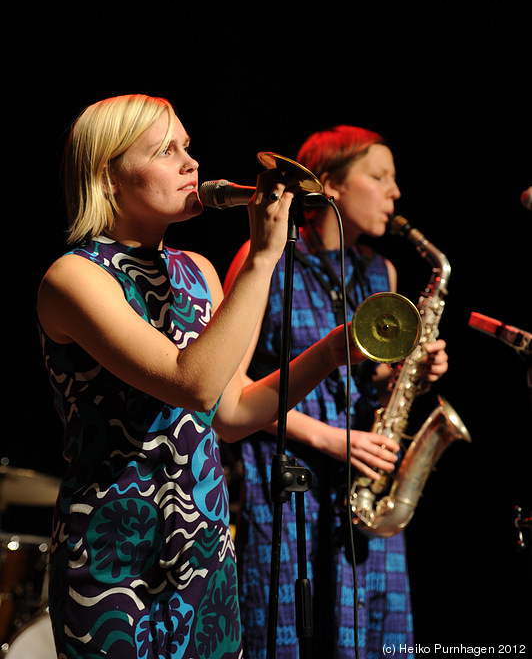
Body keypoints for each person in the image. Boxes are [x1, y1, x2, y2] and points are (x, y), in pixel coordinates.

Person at [36, 96, 371, 659]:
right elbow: (190, 382)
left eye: (187, 147)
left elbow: (231, 411)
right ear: (108, 175)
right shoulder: (75, 278)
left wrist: (330, 353)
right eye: (166, 150)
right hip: (115, 553)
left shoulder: (199, 272)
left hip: (204, 548)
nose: (191, 163)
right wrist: (263, 258)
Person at [223, 125, 449, 659]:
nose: (395, 193)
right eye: (379, 177)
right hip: (288, 481)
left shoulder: (382, 270)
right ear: (330, 186)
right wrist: (328, 438)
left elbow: (366, 378)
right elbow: (229, 391)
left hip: (361, 480)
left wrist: (410, 373)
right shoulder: (266, 257)